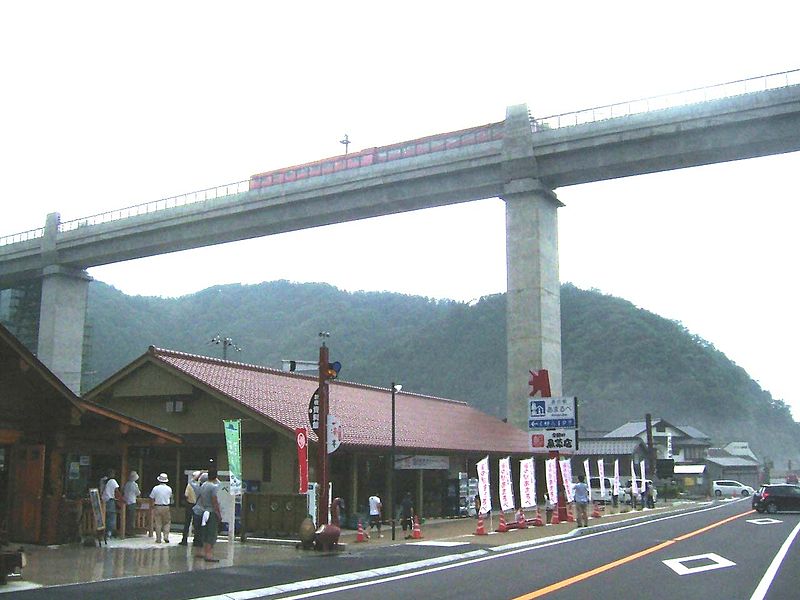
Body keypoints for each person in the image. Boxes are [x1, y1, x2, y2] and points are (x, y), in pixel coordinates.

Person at [194, 467, 222, 562]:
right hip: (211, 512)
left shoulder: (203, 485)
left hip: (204, 511)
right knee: (211, 533)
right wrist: (218, 513)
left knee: (205, 533)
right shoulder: (213, 487)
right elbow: (215, 501)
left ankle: (204, 552)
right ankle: (209, 554)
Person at [179, 471, 202, 546]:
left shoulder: (190, 485)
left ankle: (184, 540)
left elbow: (186, 495)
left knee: (187, 523)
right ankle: (197, 540)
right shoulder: (201, 486)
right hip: (198, 505)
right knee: (197, 524)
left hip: (189, 505)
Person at [149, 473, 173, 543]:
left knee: (158, 523)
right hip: (166, 506)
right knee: (167, 522)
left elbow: (151, 497)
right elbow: (171, 497)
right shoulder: (169, 489)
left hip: (157, 506)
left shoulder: (155, 488)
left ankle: (158, 539)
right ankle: (166, 536)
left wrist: (152, 505)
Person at [100, 469, 122, 540]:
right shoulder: (112, 481)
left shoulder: (103, 480)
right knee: (111, 517)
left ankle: (103, 533)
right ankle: (109, 533)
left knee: (104, 517)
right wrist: (122, 499)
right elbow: (116, 491)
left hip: (103, 500)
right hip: (110, 500)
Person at [122, 471, 140, 535]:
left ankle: (125, 530)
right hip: (132, 501)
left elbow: (124, 491)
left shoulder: (127, 484)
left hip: (126, 502)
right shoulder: (135, 484)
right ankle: (130, 531)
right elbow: (138, 493)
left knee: (127, 517)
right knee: (131, 518)